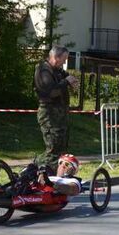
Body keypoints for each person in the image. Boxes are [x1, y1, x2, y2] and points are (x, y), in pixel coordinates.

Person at [34, 45, 79, 173]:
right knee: (53, 150)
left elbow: (67, 78)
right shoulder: (43, 70)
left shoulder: (57, 70)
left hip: (60, 115)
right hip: (49, 115)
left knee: (61, 149)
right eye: (63, 59)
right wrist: (66, 82)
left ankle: (55, 179)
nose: (65, 62)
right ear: (55, 57)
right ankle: (34, 167)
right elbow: (50, 91)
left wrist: (71, 81)